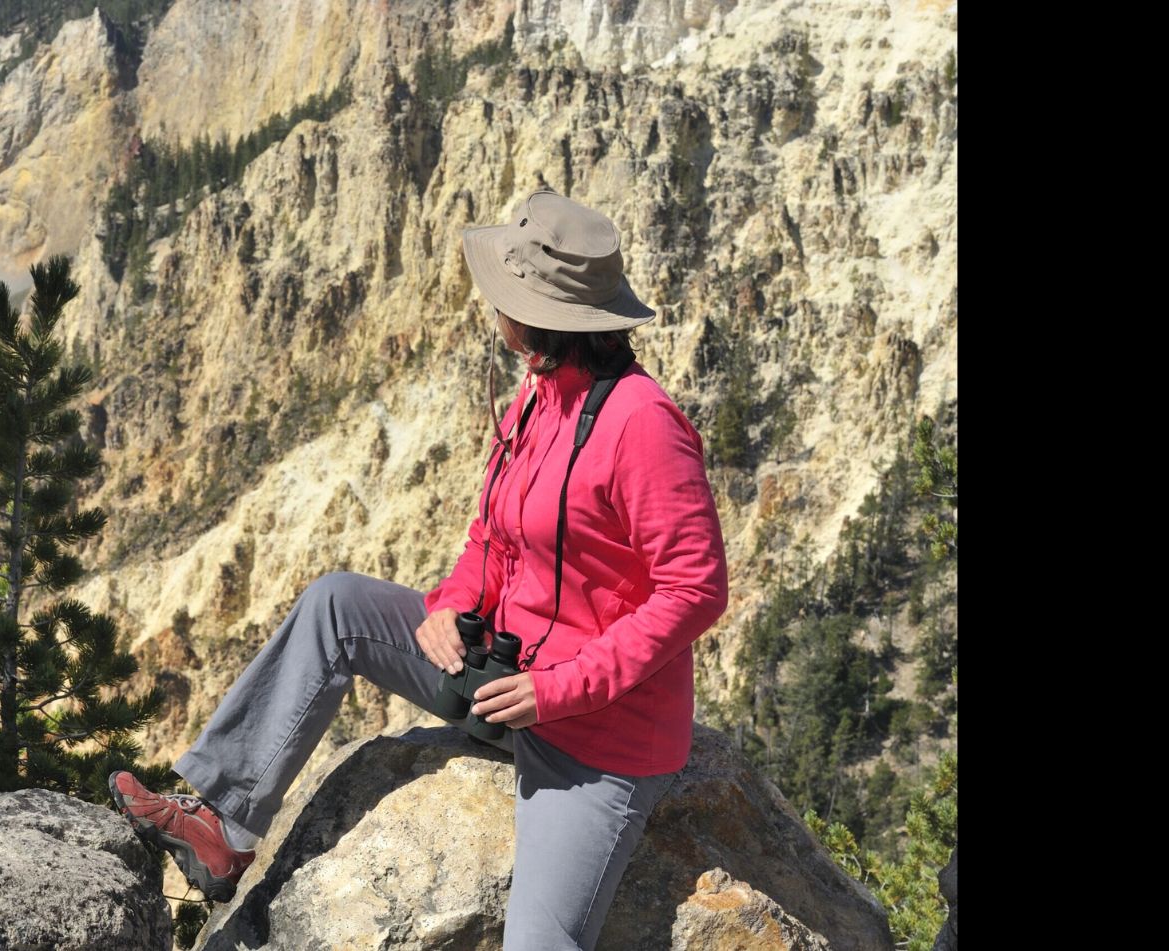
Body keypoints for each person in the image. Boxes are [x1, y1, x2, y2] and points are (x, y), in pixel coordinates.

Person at [108, 187, 729, 949]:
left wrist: (559, 689)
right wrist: (451, 604)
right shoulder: (539, 396)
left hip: (595, 735)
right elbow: (491, 534)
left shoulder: (643, 424)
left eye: (505, 297)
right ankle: (223, 826)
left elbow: (694, 591)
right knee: (336, 605)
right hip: (500, 677)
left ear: (540, 322)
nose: (492, 309)